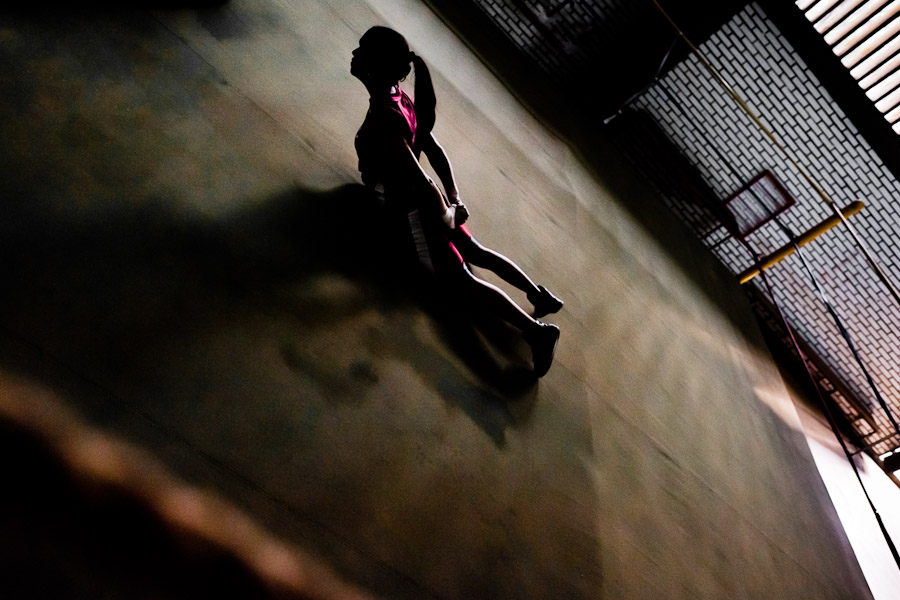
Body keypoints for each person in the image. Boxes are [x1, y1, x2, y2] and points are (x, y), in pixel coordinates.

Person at [351, 26, 563, 376]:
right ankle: (539, 296)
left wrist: (444, 215)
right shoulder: (397, 95)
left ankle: (537, 333)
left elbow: (420, 180)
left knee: (458, 279)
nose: (354, 54)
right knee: (476, 250)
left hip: (414, 210)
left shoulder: (387, 117)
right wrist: (455, 198)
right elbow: (433, 150)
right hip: (429, 203)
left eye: (362, 50)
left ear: (377, 64)